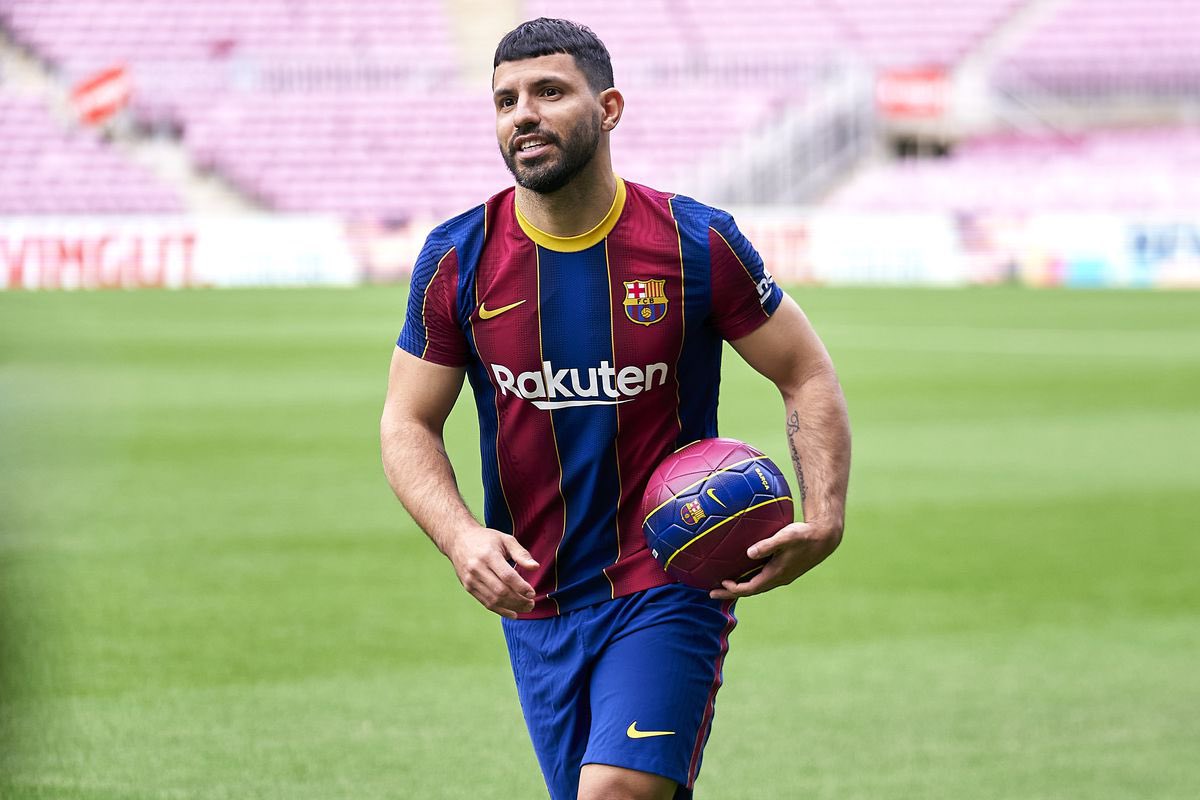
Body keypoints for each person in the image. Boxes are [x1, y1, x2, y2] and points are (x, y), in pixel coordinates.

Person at [380, 18, 851, 800]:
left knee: (615, 792)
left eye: (548, 91)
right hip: (536, 599)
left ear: (608, 108)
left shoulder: (696, 242)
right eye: (505, 100)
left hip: (670, 575)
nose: (523, 114)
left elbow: (803, 369)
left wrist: (825, 514)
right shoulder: (458, 257)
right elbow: (406, 421)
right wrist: (461, 537)